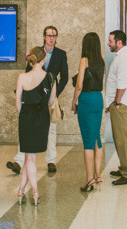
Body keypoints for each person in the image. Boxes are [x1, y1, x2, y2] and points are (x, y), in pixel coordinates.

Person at [7, 26, 68, 175]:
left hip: (51, 95)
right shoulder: (35, 52)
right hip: (33, 97)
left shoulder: (60, 54)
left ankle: (51, 161)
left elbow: (65, 77)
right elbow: (27, 72)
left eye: (54, 35)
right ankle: (18, 162)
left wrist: (54, 93)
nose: (51, 38)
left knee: (51, 129)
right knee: (27, 127)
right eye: (49, 35)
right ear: (44, 36)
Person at [15, 46, 55, 205]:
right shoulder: (50, 77)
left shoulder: (22, 77)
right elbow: (51, 102)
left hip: (26, 116)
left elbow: (18, 102)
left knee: (28, 156)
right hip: (42, 118)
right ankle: (34, 192)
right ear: (44, 59)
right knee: (30, 157)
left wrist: (24, 115)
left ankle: (22, 191)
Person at [71, 32, 105, 192]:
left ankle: (89, 178)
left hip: (86, 100)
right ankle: (98, 175)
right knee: (97, 136)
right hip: (98, 99)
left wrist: (73, 102)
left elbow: (79, 85)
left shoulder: (84, 60)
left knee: (88, 141)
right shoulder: (101, 62)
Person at [105, 30, 127, 185]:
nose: (108, 43)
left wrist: (117, 102)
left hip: (121, 104)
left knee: (123, 138)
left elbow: (122, 83)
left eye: (110, 41)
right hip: (118, 103)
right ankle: (124, 167)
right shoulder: (121, 56)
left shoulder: (125, 58)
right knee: (119, 138)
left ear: (119, 42)